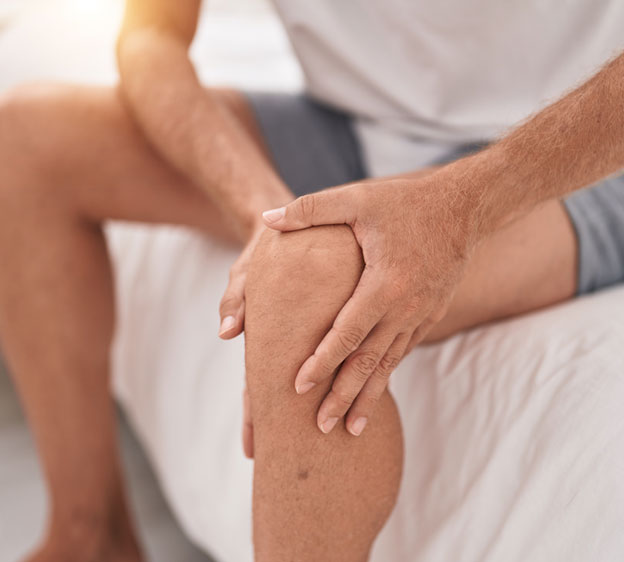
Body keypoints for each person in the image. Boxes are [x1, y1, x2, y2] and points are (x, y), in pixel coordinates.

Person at [1, 0, 623, 560]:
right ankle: (91, 540)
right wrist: (261, 211)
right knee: (20, 144)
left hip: (578, 157)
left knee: (308, 283)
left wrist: (457, 208)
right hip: (354, 129)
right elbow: (149, 37)